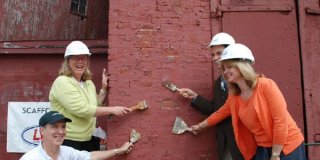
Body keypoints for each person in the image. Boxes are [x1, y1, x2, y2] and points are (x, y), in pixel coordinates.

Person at [190, 43, 306, 160]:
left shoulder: (265, 85)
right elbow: (220, 113)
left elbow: (280, 122)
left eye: (229, 67)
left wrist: (275, 155)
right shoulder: (235, 95)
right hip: (263, 148)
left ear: (242, 66)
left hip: (287, 147)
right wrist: (200, 126)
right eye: (224, 68)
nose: (225, 71)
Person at [49, 41, 132, 151]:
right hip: (67, 140)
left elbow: (93, 106)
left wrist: (103, 90)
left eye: (83, 58)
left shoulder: (88, 83)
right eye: (75, 58)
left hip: (87, 140)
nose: (80, 62)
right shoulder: (63, 82)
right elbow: (82, 109)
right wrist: (113, 110)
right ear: (67, 61)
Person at [179, 32, 243, 160]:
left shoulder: (243, 80)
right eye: (212, 54)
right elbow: (217, 110)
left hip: (243, 142)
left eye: (219, 53)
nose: (214, 58)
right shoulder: (219, 82)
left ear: (230, 51)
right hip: (225, 143)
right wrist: (195, 97)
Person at [20, 111, 133, 160]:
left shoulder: (66, 152)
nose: (60, 131)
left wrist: (119, 150)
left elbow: (90, 156)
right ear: (42, 131)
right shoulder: (30, 158)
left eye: (63, 127)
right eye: (54, 126)